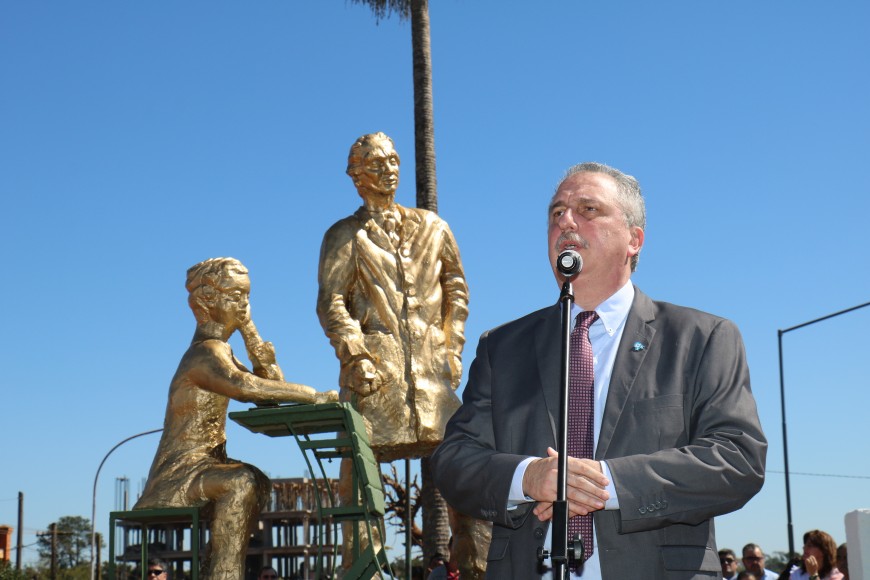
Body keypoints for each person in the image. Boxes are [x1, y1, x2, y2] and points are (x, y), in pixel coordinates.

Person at [431, 162, 767, 579]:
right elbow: (455, 461)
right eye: (556, 214)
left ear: (634, 240)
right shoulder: (501, 348)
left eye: (588, 210)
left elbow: (737, 458)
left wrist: (605, 482)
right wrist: (529, 476)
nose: (566, 222)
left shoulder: (701, 338)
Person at [318, 133, 486, 575]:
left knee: (467, 468)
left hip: (433, 375)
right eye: (375, 163)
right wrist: (356, 356)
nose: (388, 169)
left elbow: (456, 289)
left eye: (393, 160)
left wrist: (453, 346)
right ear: (356, 176)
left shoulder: (435, 227)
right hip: (376, 376)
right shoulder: (343, 235)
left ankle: (478, 568)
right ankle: (363, 570)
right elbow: (331, 302)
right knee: (359, 477)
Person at [135, 257, 337, 578]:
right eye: (235, 297)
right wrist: (315, 395)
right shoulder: (205, 353)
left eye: (247, 297)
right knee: (242, 481)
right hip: (179, 475)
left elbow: (271, 394)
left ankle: (213, 569)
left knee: (257, 480)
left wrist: (251, 333)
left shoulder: (223, 352)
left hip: (205, 468)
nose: (244, 306)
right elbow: (248, 388)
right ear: (207, 302)